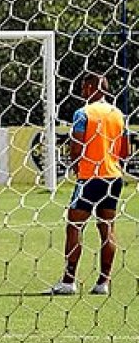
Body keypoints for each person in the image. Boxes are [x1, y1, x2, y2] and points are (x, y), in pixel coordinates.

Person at [46, 72, 128, 296]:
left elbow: (76, 146)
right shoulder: (118, 114)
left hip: (90, 177)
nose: (82, 92)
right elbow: (126, 150)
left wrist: (74, 164)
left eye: (84, 88)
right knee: (107, 228)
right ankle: (103, 283)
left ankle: (68, 281)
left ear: (92, 88)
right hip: (113, 177)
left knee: (74, 226)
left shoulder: (83, 113)